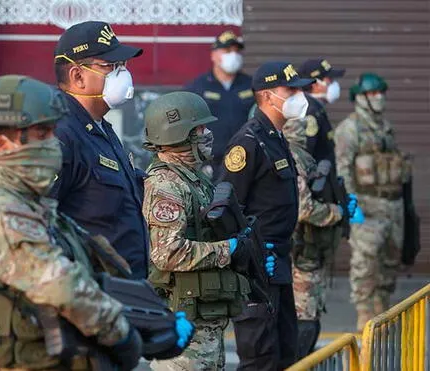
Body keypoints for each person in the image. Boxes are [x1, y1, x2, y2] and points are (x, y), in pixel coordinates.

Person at [0, 75, 143, 371]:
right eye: (42, 133)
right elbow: (59, 285)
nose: (53, 144)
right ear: (0, 143)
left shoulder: (32, 203)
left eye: (53, 132)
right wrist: (121, 333)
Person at [142, 91, 254, 371]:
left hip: (205, 320)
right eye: (199, 129)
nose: (207, 134)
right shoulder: (166, 185)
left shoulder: (194, 179)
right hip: (184, 324)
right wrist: (227, 249)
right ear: (179, 135)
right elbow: (167, 253)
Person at [219, 61, 314, 370]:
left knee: (286, 351)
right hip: (258, 267)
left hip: (280, 261)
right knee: (260, 356)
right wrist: (247, 256)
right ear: (269, 96)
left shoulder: (275, 137)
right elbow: (227, 208)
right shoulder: (248, 142)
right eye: (292, 90)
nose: (300, 96)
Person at [50, 21, 149, 279]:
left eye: (123, 65)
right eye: (110, 66)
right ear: (77, 76)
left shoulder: (99, 126)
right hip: (94, 296)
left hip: (125, 291)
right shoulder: (60, 134)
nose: (122, 73)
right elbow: (40, 224)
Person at [335, 73, 409, 331]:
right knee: (365, 263)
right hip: (367, 206)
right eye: (373, 93)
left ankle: (382, 310)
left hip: (392, 206)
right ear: (361, 97)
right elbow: (342, 170)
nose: (379, 97)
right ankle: (364, 314)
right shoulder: (350, 128)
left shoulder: (385, 127)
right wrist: (351, 204)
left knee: (390, 260)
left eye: (381, 92)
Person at [282, 117, 361, 358]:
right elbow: (303, 209)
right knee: (304, 314)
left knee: (309, 314)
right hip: (298, 250)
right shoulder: (292, 157)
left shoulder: (297, 155)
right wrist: (336, 213)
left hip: (306, 249)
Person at [185, 30, 254, 176]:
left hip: (245, 159)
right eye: (227, 51)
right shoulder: (199, 86)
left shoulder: (250, 85)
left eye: (236, 51)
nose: (233, 55)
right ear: (213, 55)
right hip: (210, 163)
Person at [297, 59, 346, 165]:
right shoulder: (309, 112)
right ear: (315, 84)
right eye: (330, 80)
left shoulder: (317, 109)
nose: (334, 84)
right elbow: (306, 154)